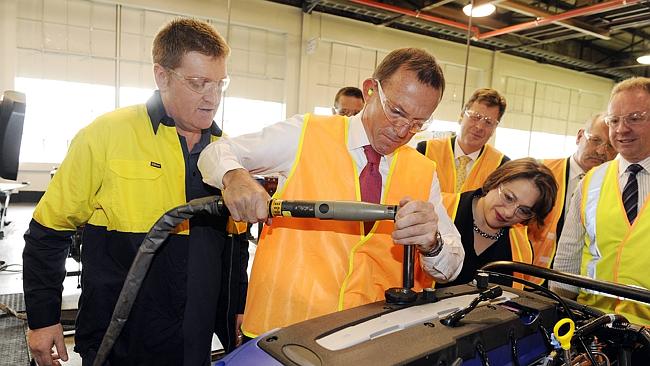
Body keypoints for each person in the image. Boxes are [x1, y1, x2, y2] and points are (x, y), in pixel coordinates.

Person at [22, 18, 248, 366]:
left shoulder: (226, 152)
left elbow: (235, 247)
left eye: (220, 84)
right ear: (162, 76)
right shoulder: (106, 135)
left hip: (196, 341)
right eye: (198, 83)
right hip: (120, 341)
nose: (212, 97)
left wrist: (238, 308)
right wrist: (42, 318)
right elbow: (48, 231)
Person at [198, 48, 464, 338]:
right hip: (284, 335)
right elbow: (216, 151)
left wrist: (432, 244)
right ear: (371, 90)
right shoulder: (304, 134)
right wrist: (234, 177)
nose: (402, 131)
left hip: (368, 341)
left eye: (418, 123)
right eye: (396, 111)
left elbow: (451, 265)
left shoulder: (423, 171)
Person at [551, 76, 650, 326]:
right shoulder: (591, 182)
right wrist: (560, 317)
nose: (621, 129)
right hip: (595, 326)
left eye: (635, 118)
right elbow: (567, 259)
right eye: (614, 120)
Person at [437, 158, 557, 289]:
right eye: (508, 197)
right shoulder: (441, 209)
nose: (509, 213)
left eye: (523, 210)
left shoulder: (521, 248)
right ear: (495, 181)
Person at [527, 113, 616, 282]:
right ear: (579, 136)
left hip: (584, 284)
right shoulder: (539, 171)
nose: (600, 151)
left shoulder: (619, 188)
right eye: (595, 140)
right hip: (530, 276)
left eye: (610, 146)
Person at [417, 88, 509, 194]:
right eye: (475, 117)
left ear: (494, 128)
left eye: (488, 122)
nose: (479, 126)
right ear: (461, 116)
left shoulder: (501, 166)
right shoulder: (425, 151)